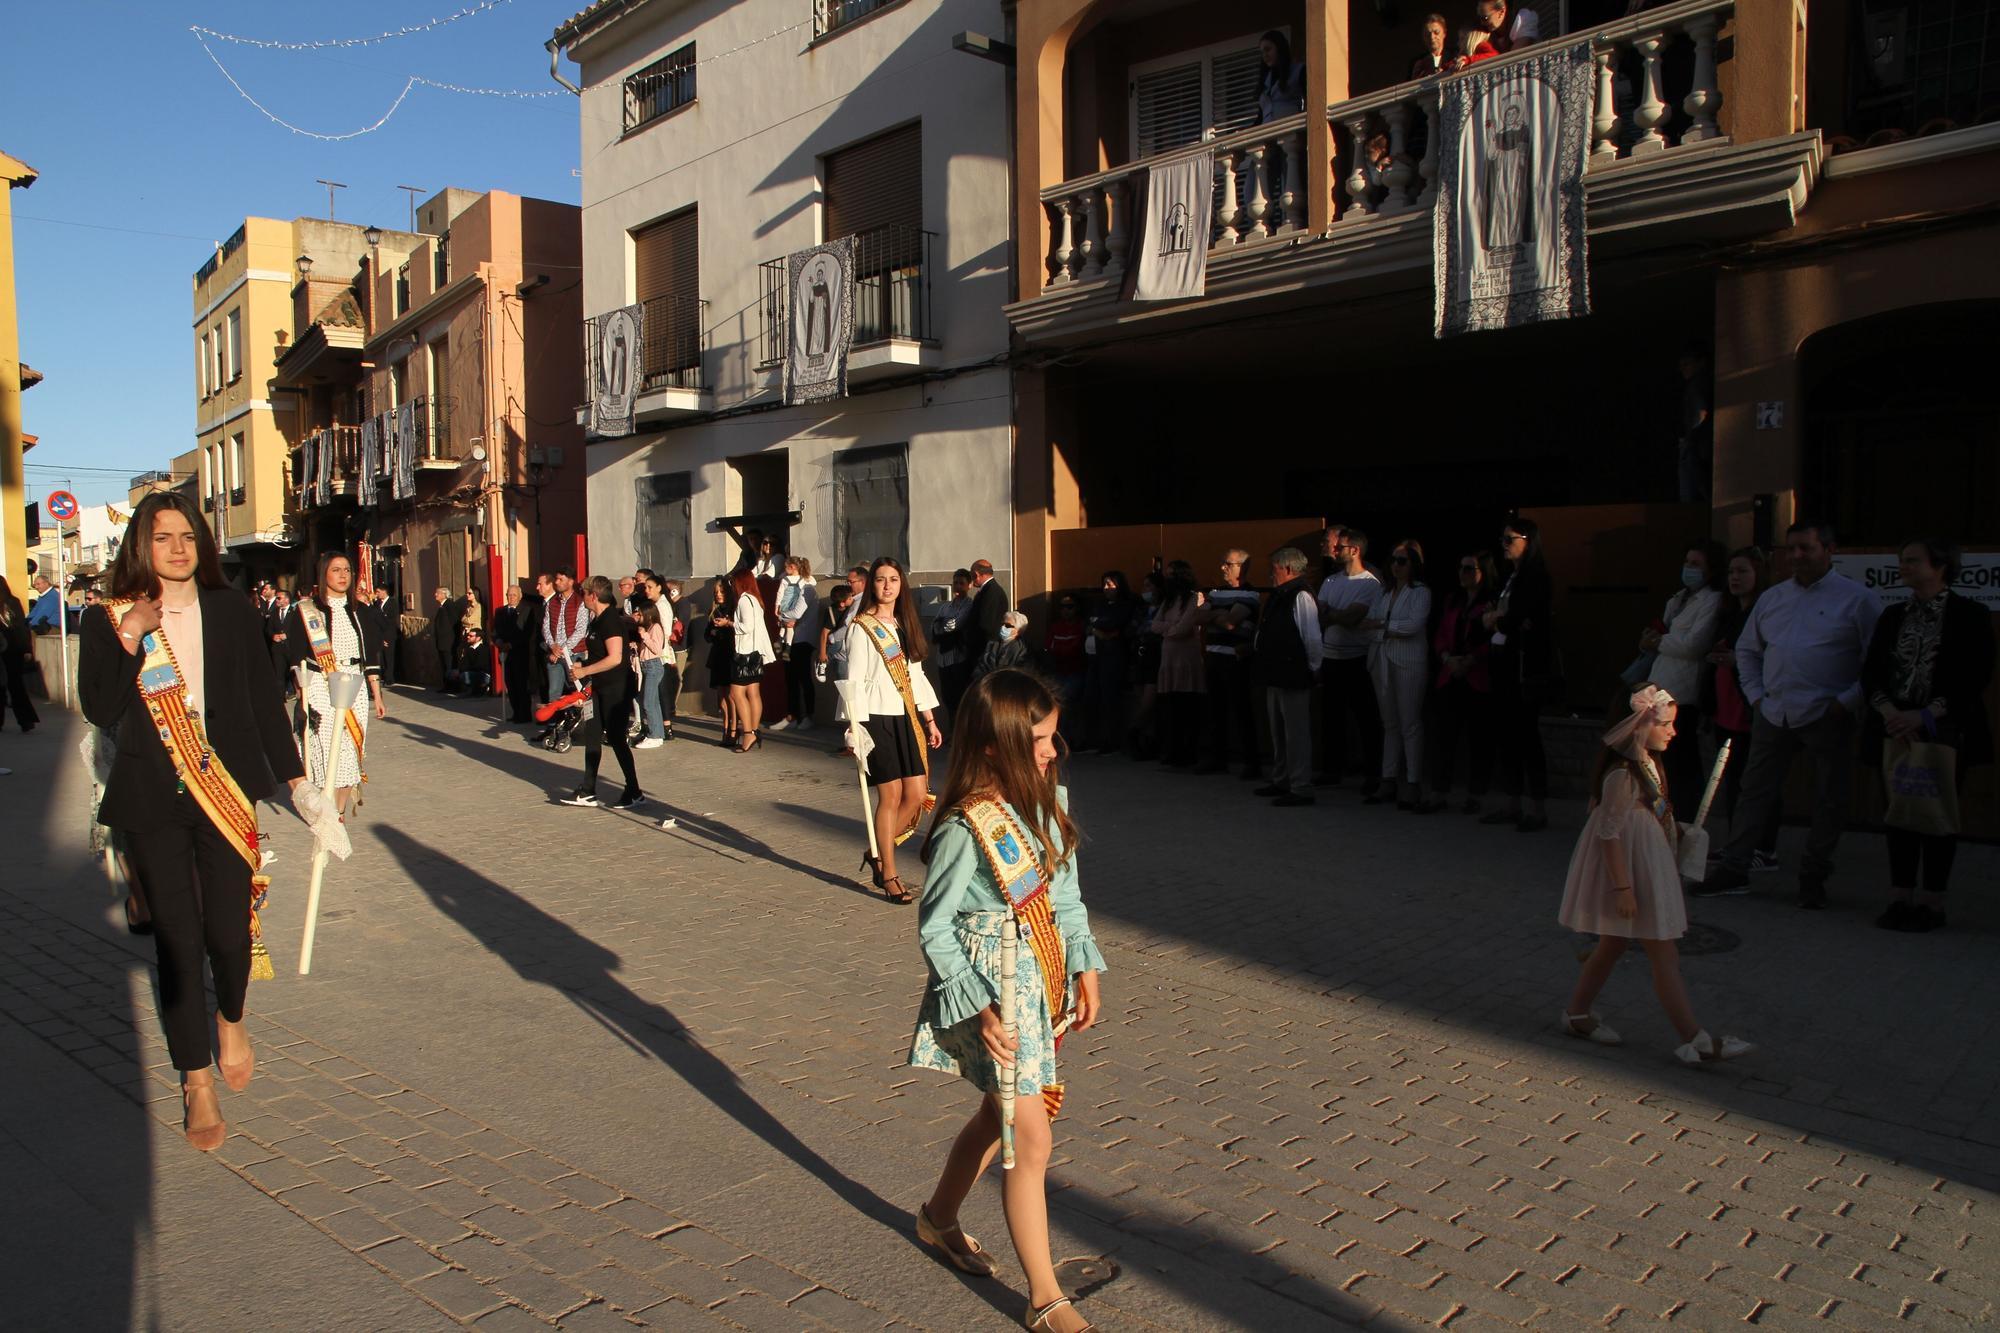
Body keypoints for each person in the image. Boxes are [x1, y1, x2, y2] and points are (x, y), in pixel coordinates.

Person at [79, 492, 310, 1152]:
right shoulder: (110, 618)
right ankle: (197, 1080)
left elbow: (265, 700)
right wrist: (132, 633)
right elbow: (98, 705)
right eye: (162, 536)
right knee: (178, 944)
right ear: (141, 547)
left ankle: (231, 1016)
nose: (178, 546)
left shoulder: (232, 609)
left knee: (230, 935)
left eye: (187, 535)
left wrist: (296, 782)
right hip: (153, 799)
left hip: (225, 789)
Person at [907, 669, 1106, 1333]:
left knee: (998, 1117)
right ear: (995, 747)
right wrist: (975, 1005)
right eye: (1040, 738)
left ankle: (937, 1219)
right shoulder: (968, 825)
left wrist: (1083, 964)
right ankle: (1045, 1297)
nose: (1053, 748)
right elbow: (934, 924)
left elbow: (1066, 894)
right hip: (996, 1001)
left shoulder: (1050, 798)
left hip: (1041, 983)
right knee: (1032, 1139)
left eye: (1053, 734)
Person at [1558, 686, 1756, 1066]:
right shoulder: (1621, 775)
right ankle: (1693, 1039)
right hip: (1634, 873)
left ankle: (1578, 1014)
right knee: (1662, 953)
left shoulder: (1646, 764)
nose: (1672, 732)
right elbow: (1609, 834)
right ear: (1637, 727)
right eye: (1665, 724)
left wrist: (1678, 833)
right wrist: (1622, 887)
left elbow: (1644, 819)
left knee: (1613, 945)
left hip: (1644, 865)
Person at [1696, 522, 1882, 908]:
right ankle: (1735, 866)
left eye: (1806, 549)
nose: (1796, 557)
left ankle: (1814, 874)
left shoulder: (1858, 600)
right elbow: (1747, 651)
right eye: (1791, 549)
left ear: (1829, 550)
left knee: (1830, 796)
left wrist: (1846, 701)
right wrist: (1756, 697)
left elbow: (1876, 662)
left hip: (1827, 713)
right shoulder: (1773, 598)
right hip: (1774, 710)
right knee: (1754, 790)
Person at [1861, 538, 1993, 933]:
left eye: (1913, 561)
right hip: (1894, 729)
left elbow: (1975, 675)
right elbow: (1871, 671)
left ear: (1940, 567)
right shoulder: (1892, 615)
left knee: (1938, 815)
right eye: (1902, 560)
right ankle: (1900, 894)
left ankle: (1933, 900)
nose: (1904, 567)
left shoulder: (1969, 615)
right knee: (1899, 813)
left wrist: (1925, 715)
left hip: (1944, 731)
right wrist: (1890, 712)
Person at [844, 557, 945, 904]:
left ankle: (877, 850)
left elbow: (916, 676)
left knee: (916, 795)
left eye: (894, 580)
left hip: (906, 716)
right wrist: (854, 728)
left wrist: (930, 718)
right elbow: (853, 681)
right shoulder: (862, 626)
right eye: (881, 579)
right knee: (890, 796)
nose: (887, 586)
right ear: (872, 584)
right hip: (875, 717)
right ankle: (888, 871)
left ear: (902, 585)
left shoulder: (904, 624)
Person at [281, 551, 388, 815]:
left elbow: (371, 655)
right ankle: (324, 807)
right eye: (336, 570)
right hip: (321, 685)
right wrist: (300, 685)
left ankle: (337, 812)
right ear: (324, 574)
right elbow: (295, 654)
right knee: (330, 749)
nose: (342, 576)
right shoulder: (307, 611)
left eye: (347, 570)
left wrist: (378, 695)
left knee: (351, 750)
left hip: (355, 685)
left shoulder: (362, 611)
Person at [1703, 547, 1780, 874]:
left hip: (1753, 706)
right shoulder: (1728, 612)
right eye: (1731, 571)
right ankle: (1738, 843)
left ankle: (1764, 847)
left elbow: (1768, 660)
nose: (1735, 578)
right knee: (1732, 779)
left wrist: (1737, 661)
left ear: (1758, 574)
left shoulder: (1766, 612)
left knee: (1758, 780)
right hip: (1726, 706)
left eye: (1743, 571)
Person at [1483, 517, 1555, 832]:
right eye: (1503, 539)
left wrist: (1502, 620)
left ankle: (1537, 808)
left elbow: (1523, 619)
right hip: (1501, 659)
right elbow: (1502, 615)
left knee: (1527, 735)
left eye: (1510, 539)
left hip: (1524, 665)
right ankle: (1512, 802)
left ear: (1528, 540)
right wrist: (1501, 619)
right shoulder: (1508, 577)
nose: (1505, 545)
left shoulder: (1536, 576)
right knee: (1505, 734)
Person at [1644, 540, 1726, 813]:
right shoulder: (1678, 598)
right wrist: (1651, 640)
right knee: (1663, 759)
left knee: (1683, 759)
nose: (1689, 568)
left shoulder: (1713, 600)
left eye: (1696, 564)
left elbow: (1694, 645)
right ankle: (1664, 812)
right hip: (1661, 684)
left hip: (1684, 692)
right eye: (1687, 562)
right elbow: (1664, 632)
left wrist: (1661, 641)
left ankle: (1685, 816)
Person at [1421, 552, 1498, 814]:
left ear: (1482, 572)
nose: (1463, 573)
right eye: (1461, 568)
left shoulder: (1491, 602)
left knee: (1479, 739)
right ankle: (1439, 791)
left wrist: (1470, 659)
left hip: (1476, 676)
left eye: (1469, 568)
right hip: (1449, 673)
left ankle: (1476, 794)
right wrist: (1446, 658)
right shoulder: (1452, 600)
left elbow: (1493, 639)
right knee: (1443, 736)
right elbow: (1441, 633)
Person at [559, 576, 644, 810]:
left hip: (616, 688)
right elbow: (598, 655)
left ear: (593, 595)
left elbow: (615, 658)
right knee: (592, 734)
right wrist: (581, 667)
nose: (581, 597)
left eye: (583, 593)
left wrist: (585, 669)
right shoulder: (596, 621)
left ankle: (634, 790)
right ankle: (588, 790)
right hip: (598, 687)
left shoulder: (611, 621)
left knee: (616, 738)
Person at [1365, 540, 1433, 811]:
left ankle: (1413, 782)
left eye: (1402, 561)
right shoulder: (1383, 592)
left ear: (1414, 564)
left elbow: (1413, 626)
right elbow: (1367, 625)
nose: (1396, 565)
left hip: (1408, 663)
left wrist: (1382, 626)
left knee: (1410, 723)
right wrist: (1385, 628)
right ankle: (1388, 778)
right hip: (1381, 660)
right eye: (1393, 560)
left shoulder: (1421, 592)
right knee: (1389, 723)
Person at [1251, 547, 1322, 807]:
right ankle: (1281, 778)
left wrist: (1314, 667)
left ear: (1288, 568)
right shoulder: (1279, 595)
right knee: (1278, 731)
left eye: (1275, 568)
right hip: (1275, 673)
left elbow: (1311, 636)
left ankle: (1301, 785)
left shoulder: (1300, 595)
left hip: (1293, 673)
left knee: (1296, 733)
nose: (1271, 573)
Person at [1316, 526, 1384, 795]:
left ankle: (1373, 773)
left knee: (1366, 718)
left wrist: (1333, 614)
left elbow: (1353, 618)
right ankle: (1332, 770)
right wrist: (1337, 615)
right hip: (1330, 657)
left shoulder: (1370, 583)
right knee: (1331, 718)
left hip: (1357, 659)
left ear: (1354, 550)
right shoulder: (1330, 581)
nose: (1335, 550)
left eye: (1340, 547)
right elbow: (1320, 617)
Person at [1198, 550, 1260, 780]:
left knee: (1241, 710)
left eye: (1228, 564)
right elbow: (1197, 617)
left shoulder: (1250, 594)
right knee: (1214, 710)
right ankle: (1217, 758)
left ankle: (1251, 762)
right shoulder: (1216, 592)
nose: (1222, 567)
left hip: (1235, 659)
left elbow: (1232, 623)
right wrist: (1220, 614)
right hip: (1213, 656)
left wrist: (1215, 614)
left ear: (1241, 567)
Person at [1152, 561, 1206, 769]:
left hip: (1187, 660)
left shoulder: (1194, 598)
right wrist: (1169, 628)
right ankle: (1172, 751)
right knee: (1171, 709)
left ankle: (1188, 753)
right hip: (1169, 660)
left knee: (1187, 708)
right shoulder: (1168, 600)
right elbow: (1154, 625)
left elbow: (1184, 628)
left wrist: (1169, 629)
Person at [1083, 571, 1138, 755]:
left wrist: (1102, 629)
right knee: (1091, 696)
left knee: (1110, 699)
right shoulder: (1099, 605)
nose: (1106, 588)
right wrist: (1099, 629)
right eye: (1104, 584)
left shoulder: (1125, 605)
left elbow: (1113, 626)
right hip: (1094, 657)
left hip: (1113, 658)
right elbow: (1091, 624)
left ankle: (1111, 739)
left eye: (1110, 584)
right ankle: (1092, 738)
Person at [728, 569, 775, 752]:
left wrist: (729, 623)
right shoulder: (755, 599)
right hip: (755, 651)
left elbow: (746, 627)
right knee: (753, 692)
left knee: (736, 694)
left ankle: (748, 732)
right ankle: (753, 731)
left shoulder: (744, 600)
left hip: (746, 652)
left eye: (733, 582)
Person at [539, 569, 590, 734]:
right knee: (553, 691)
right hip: (554, 654)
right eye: (557, 579)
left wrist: (563, 650)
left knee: (577, 693)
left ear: (570, 581)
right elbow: (546, 626)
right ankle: (553, 727)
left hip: (574, 654)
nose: (557, 582)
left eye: (561, 579)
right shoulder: (552, 602)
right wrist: (552, 645)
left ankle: (579, 727)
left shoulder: (580, 601)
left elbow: (581, 629)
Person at [775, 556, 820, 732]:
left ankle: (808, 716)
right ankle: (792, 715)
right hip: (791, 640)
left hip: (803, 640)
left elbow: (796, 613)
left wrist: (782, 617)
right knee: (790, 678)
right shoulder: (794, 586)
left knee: (803, 678)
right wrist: (785, 618)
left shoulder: (807, 589)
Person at [1041, 594, 1088, 742]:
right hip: (1057, 671)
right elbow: (1048, 647)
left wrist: (1062, 649)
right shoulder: (1055, 627)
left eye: (1070, 607)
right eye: (1062, 607)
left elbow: (1076, 649)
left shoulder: (1081, 626)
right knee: (1053, 702)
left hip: (1075, 671)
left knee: (1067, 700)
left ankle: (1067, 739)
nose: (1066, 610)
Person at [934, 569, 976, 720]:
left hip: (959, 659)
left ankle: (960, 735)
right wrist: (941, 625)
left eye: (961, 583)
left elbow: (954, 625)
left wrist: (942, 625)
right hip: (943, 659)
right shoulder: (946, 607)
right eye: (955, 582)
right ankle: (952, 733)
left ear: (969, 585)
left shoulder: (969, 605)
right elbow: (935, 626)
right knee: (947, 698)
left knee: (960, 698)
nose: (957, 586)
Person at [0, 574, 39, 732]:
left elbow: (21, 629)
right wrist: (26, 649)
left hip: (8, 651)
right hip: (14, 650)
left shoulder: (11, 603)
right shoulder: (13, 602)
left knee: (6, 687)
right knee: (16, 687)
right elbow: (22, 629)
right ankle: (26, 720)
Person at [1676, 344, 1713, 504]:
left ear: (1701, 362)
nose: (1683, 369)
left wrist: (1690, 440)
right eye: (1681, 365)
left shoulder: (1697, 384)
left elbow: (1700, 412)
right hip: (1701, 445)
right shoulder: (1704, 382)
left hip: (1697, 445)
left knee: (1693, 490)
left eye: (1687, 364)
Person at [704, 576, 739, 744]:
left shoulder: (733, 609)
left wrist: (727, 624)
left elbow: (739, 631)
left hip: (730, 655)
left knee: (731, 695)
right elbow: (707, 636)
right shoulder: (714, 612)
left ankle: (733, 729)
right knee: (721, 695)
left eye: (722, 591)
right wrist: (712, 631)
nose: (718, 595)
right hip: (718, 655)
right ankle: (725, 728)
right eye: (716, 592)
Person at [633, 602, 670, 749]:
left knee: (648, 702)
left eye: (641, 614)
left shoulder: (655, 627)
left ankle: (654, 735)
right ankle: (657, 734)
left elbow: (656, 649)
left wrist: (645, 636)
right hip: (646, 666)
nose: (639, 617)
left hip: (653, 665)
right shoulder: (648, 628)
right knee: (653, 702)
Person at [497, 582, 535, 723]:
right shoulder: (500, 611)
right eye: (509, 595)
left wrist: (511, 644)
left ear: (520, 596)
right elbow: (496, 631)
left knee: (521, 685)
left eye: (514, 595)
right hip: (505, 654)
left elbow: (527, 633)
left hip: (520, 653)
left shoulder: (526, 610)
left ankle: (524, 714)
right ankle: (515, 712)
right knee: (510, 684)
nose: (511, 597)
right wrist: (499, 642)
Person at [965, 558, 1009, 667]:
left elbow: (985, 624)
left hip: (984, 651)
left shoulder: (991, 591)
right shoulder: (989, 590)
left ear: (976, 574)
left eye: (971, 575)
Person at [1256, 29, 1306, 122]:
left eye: (1268, 49)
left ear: (1280, 47)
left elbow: (1311, 102)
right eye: (1262, 52)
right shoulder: (1265, 82)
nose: (1265, 55)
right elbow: (1260, 118)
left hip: (1290, 131)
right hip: (1268, 134)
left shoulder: (1299, 71)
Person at [973, 610, 1032, 683]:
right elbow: (981, 665)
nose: (1003, 627)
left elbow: (1019, 675)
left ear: (1018, 631)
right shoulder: (992, 643)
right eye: (1002, 624)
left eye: (1008, 625)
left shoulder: (1022, 650)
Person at [458, 586, 489, 694]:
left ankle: (479, 686)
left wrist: (466, 620)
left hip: (475, 634)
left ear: (475, 594)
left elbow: (468, 619)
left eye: (470, 593)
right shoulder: (469, 607)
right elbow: (463, 619)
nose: (467, 595)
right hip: (468, 636)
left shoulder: (478, 607)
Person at [1410, 12, 1452, 79]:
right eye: (1428, 34)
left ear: (1444, 33)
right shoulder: (1418, 63)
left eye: (1436, 32)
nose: (1432, 37)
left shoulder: (1454, 55)